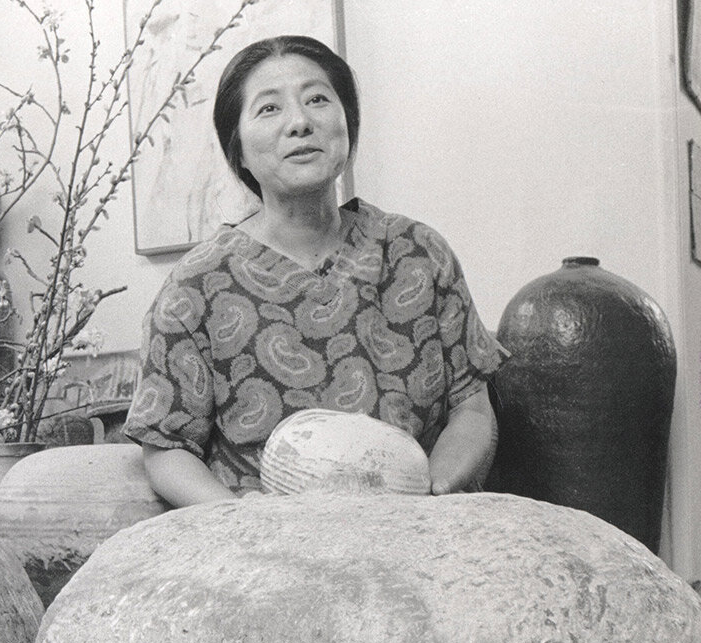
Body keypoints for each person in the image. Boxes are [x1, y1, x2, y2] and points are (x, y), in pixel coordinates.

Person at [122, 35, 505, 507]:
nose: (300, 123)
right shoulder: (195, 287)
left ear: (347, 125)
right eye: (269, 109)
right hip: (264, 551)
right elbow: (166, 450)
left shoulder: (419, 253)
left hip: (418, 528)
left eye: (318, 100)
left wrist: (430, 497)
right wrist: (242, 519)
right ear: (237, 148)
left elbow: (472, 409)